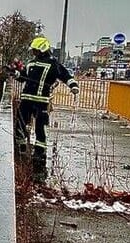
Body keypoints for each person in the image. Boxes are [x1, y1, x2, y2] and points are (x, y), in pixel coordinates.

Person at [13, 36, 80, 182]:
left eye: (35, 50)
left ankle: (39, 154)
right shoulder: (30, 64)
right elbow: (23, 77)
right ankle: (21, 147)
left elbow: (65, 75)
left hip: (41, 101)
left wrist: (73, 86)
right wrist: (16, 74)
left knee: (40, 129)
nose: (33, 53)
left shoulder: (53, 64)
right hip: (26, 99)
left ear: (41, 49)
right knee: (20, 124)